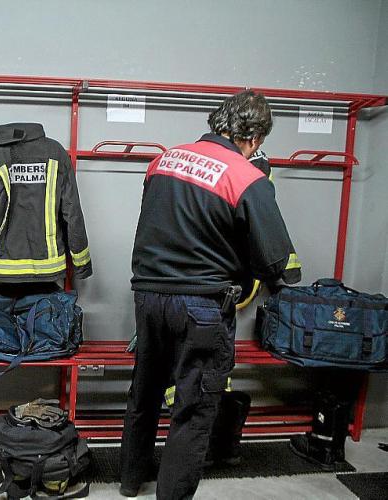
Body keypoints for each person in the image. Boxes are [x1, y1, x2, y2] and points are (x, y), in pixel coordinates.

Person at [120, 90, 302, 499]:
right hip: (201, 306)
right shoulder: (245, 177)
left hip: (148, 295)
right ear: (254, 138)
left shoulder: (163, 161)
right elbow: (278, 262)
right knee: (194, 408)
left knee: (144, 393)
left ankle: (130, 482)